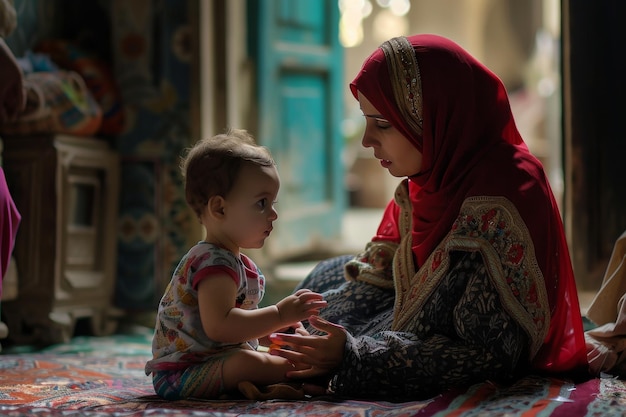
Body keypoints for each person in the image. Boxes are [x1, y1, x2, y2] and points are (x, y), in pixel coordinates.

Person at [267, 34, 589, 401]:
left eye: (383, 124)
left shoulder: (506, 195)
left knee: (327, 338)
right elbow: (382, 273)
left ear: (437, 117)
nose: (367, 141)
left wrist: (353, 356)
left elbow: (488, 354)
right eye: (366, 121)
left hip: (457, 334)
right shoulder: (429, 178)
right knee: (318, 292)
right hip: (412, 312)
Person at [145, 128, 327, 400]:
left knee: (266, 357)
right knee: (250, 363)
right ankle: (296, 376)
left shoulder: (233, 262)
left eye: (273, 202)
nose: (274, 214)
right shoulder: (212, 263)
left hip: (212, 361)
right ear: (219, 209)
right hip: (182, 374)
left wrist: (276, 333)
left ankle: (264, 383)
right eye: (261, 203)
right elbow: (221, 327)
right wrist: (278, 315)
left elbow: (236, 331)